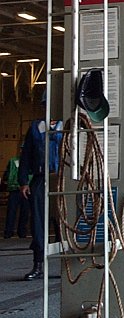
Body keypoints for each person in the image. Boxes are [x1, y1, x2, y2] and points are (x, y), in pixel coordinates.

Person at [18, 98, 63, 280]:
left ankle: (67, 266)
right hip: (40, 179)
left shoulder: (67, 125)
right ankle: (38, 265)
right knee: (38, 223)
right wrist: (23, 181)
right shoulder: (35, 128)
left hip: (62, 180)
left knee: (63, 223)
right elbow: (26, 155)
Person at [3, 156, 31, 239]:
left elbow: (7, 174)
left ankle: (9, 232)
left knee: (12, 211)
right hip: (24, 188)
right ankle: (21, 232)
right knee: (23, 212)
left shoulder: (13, 161)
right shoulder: (30, 161)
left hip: (15, 188)